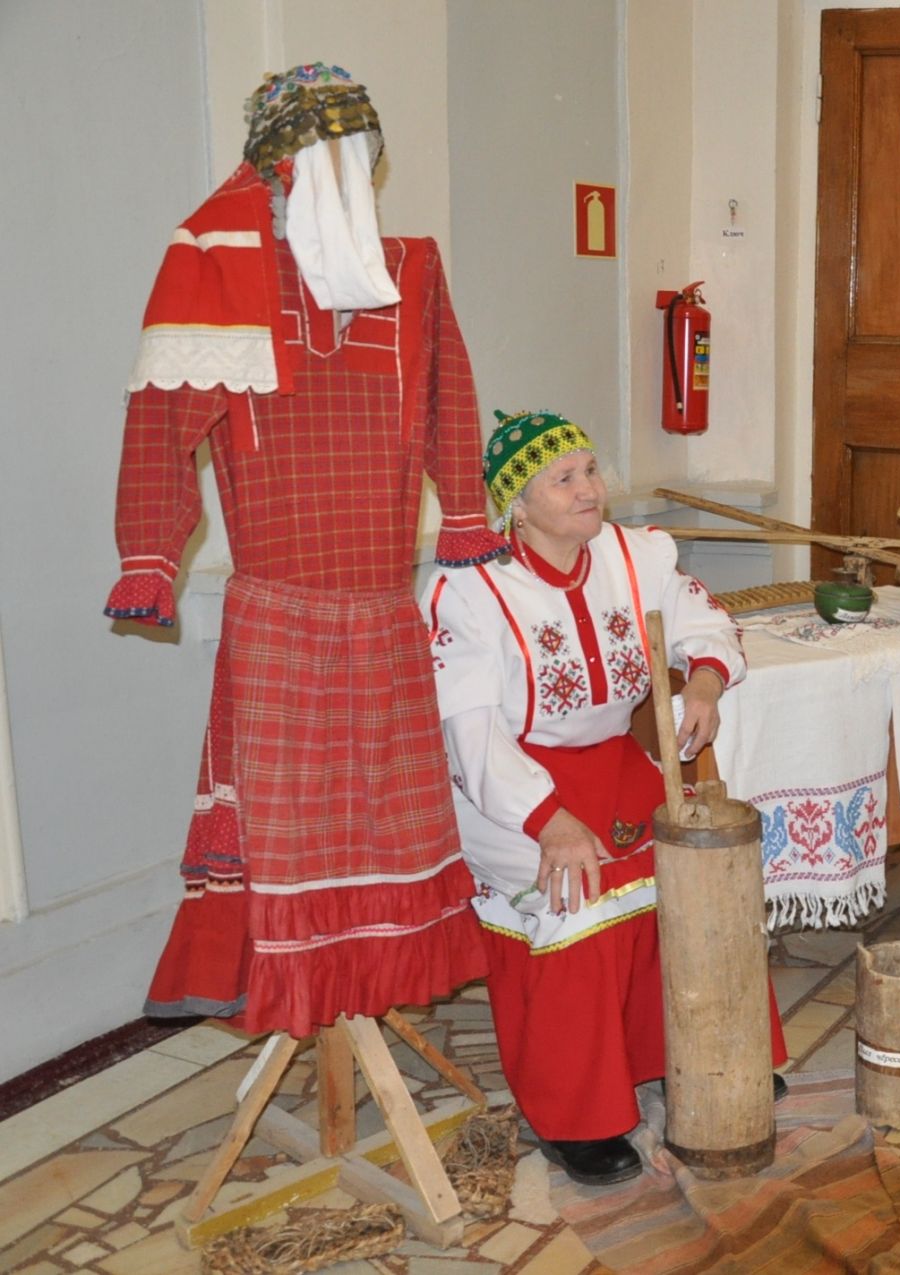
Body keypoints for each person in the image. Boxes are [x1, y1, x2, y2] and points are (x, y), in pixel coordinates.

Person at [112, 64, 501, 1036]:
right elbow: (161, 421)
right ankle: (305, 1005)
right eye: (332, 157)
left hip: (382, 617)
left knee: (391, 828)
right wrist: (148, 555)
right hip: (279, 623)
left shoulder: (412, 274)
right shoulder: (217, 274)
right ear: (280, 171)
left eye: (363, 157)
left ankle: (365, 1000)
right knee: (289, 843)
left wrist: (465, 525)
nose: (353, 176)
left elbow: (451, 396)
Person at [422, 410, 788, 1185]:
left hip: (616, 761)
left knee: (696, 869)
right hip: (514, 788)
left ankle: (705, 1051)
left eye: (592, 469)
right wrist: (549, 821)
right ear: (516, 505)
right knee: (578, 891)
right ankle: (574, 1114)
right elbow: (472, 737)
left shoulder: (637, 554)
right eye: (566, 478)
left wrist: (706, 682)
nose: (592, 489)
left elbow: (708, 623)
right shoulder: (469, 590)